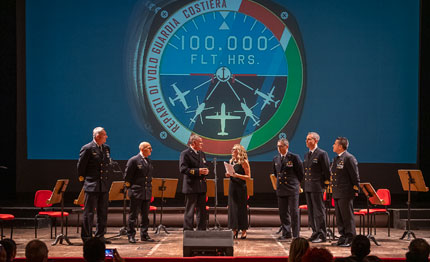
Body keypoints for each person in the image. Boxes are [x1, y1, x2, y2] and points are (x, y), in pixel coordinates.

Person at [77, 127, 113, 243]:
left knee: (103, 212)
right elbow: (81, 167)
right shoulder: (87, 148)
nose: (106, 137)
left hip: (103, 185)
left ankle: (100, 236)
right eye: (104, 135)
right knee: (89, 213)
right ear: (97, 136)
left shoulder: (106, 148)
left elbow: (106, 166)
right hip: (92, 185)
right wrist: (86, 182)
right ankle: (87, 237)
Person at [331, 137, 360, 247]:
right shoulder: (336, 159)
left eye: (334, 143)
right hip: (337, 192)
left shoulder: (349, 158)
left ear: (340, 146)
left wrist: (356, 189)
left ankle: (350, 237)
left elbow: (354, 175)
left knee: (347, 216)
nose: (333, 145)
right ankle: (342, 236)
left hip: (346, 192)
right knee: (339, 217)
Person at [273, 138, 304, 240]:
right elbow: (275, 173)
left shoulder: (294, 157)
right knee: (283, 212)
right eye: (277, 146)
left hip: (292, 188)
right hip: (281, 188)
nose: (279, 148)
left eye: (281, 146)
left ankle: (296, 234)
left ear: (286, 146)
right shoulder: (276, 158)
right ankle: (286, 233)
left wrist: (296, 183)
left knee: (294, 212)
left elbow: (300, 173)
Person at [124, 141, 154, 243]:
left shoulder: (148, 161)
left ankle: (144, 234)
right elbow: (127, 177)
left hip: (146, 193)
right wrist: (130, 190)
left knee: (145, 216)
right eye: (149, 148)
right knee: (133, 216)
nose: (151, 150)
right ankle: (131, 235)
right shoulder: (134, 160)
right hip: (136, 192)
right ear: (142, 149)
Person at [303, 132, 330, 243]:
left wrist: (323, 185)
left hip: (317, 187)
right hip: (308, 187)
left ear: (316, 141)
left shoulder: (322, 154)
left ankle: (322, 234)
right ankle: (315, 232)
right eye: (306, 139)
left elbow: (327, 171)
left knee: (319, 212)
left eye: (309, 139)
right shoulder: (307, 154)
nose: (307, 141)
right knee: (311, 212)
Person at [179, 134, 209, 231]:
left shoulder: (202, 154)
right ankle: (188, 230)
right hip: (191, 186)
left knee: (202, 211)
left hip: (201, 186)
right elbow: (183, 169)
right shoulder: (185, 153)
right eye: (200, 142)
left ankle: (201, 230)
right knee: (190, 210)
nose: (202, 144)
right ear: (194, 142)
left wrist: (206, 171)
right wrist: (198, 171)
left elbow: (205, 166)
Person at [226, 144, 251, 239]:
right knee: (232, 209)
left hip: (241, 188)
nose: (232, 151)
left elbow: (248, 177)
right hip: (232, 187)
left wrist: (236, 175)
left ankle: (243, 231)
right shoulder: (231, 161)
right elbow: (232, 174)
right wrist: (229, 174)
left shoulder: (244, 162)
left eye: (234, 150)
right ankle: (234, 230)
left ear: (239, 151)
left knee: (241, 209)